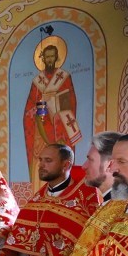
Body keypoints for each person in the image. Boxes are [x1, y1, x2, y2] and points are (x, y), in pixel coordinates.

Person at [23, 44, 82, 189]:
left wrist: (55, 107)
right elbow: (29, 106)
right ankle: (40, 191)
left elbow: (71, 104)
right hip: (41, 129)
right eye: (47, 57)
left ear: (56, 58)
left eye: (52, 56)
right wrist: (36, 111)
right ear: (43, 59)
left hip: (60, 128)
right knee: (41, 163)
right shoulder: (37, 81)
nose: (49, 60)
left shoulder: (64, 77)